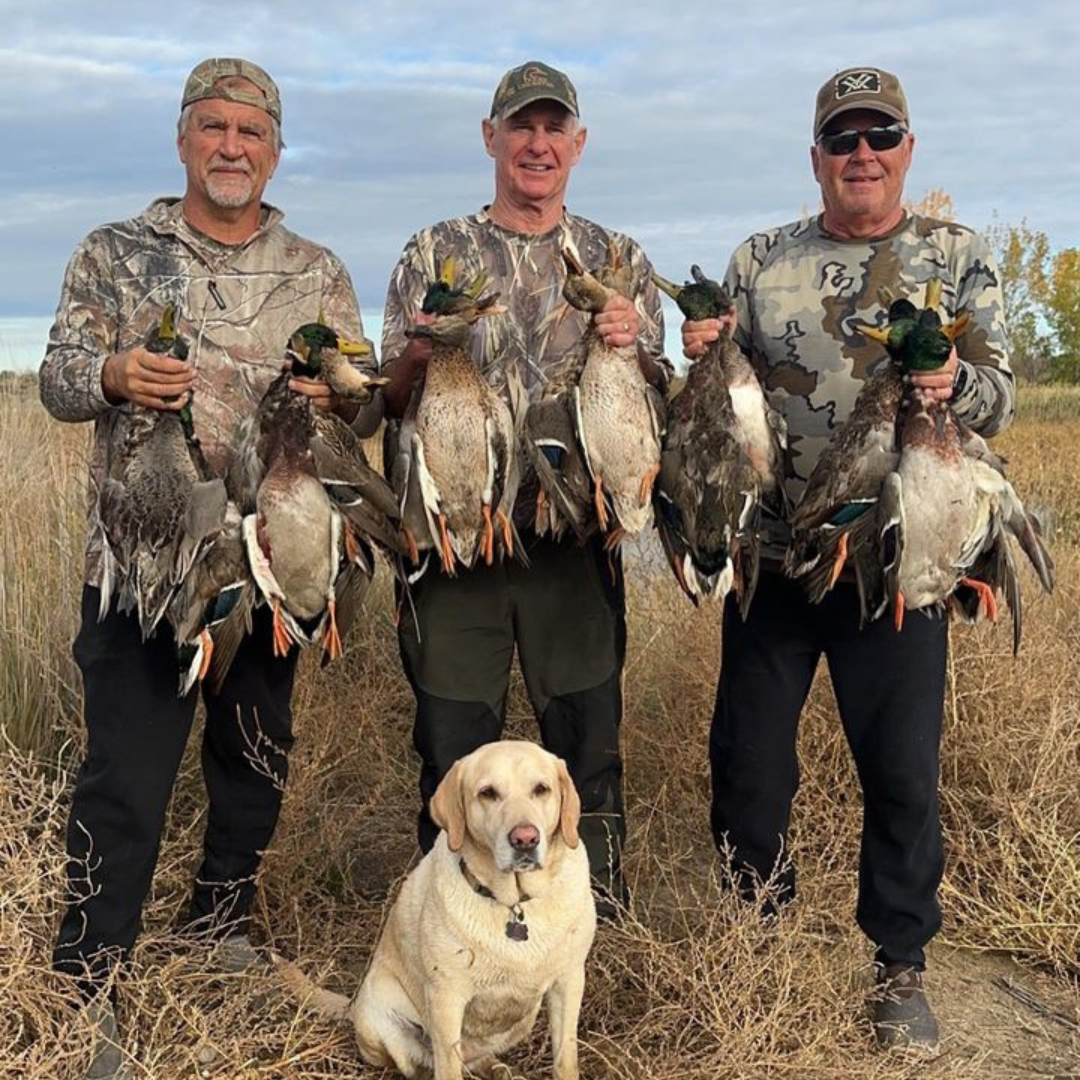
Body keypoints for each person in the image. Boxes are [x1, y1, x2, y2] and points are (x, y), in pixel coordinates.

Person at [39, 58, 380, 1079]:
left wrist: (338, 395)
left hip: (270, 568)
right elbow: (58, 378)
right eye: (213, 127)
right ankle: (87, 981)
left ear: (275, 149)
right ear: (184, 139)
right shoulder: (115, 253)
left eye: (251, 131)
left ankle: (218, 928)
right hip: (146, 572)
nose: (232, 146)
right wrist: (112, 372)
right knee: (126, 780)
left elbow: (362, 399)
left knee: (253, 764)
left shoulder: (315, 269)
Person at [681, 66, 1013, 1053]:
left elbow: (1001, 394)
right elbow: (714, 383)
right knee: (749, 768)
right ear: (816, 156)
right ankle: (758, 944)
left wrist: (954, 380)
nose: (861, 154)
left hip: (898, 569)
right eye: (842, 139)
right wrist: (697, 343)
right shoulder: (761, 258)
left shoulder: (954, 257)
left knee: (902, 774)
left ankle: (900, 965)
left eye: (880, 136)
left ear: (907, 149)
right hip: (776, 559)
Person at [381, 61, 669, 916]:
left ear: (577, 145)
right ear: (490, 139)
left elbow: (659, 398)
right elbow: (391, 399)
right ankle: (457, 917)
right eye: (520, 126)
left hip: (572, 549)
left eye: (554, 129)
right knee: (457, 747)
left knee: (584, 741)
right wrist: (424, 350)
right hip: (459, 540)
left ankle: (590, 917)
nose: (536, 144)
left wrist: (637, 342)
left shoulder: (618, 260)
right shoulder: (434, 253)